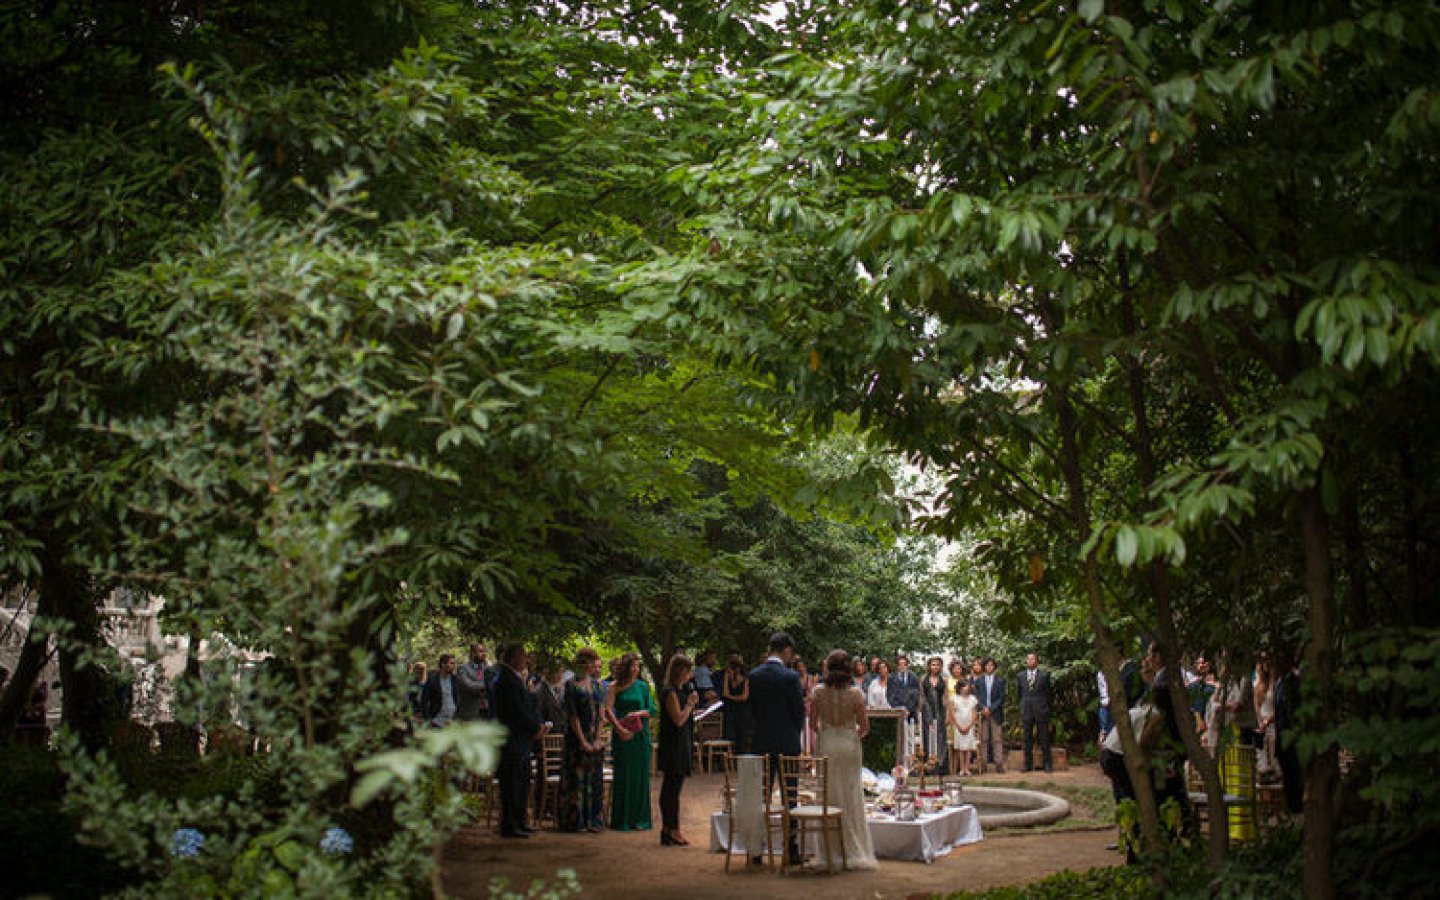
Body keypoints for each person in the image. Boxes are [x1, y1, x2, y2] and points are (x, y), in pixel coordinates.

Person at [810, 650, 877, 870]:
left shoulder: (818, 692)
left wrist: (829, 732)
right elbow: (865, 727)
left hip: (827, 744)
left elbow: (812, 725)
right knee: (850, 795)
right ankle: (853, 849)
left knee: (828, 795)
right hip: (849, 747)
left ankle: (830, 851)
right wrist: (850, 736)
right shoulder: (856, 694)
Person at [748, 631, 805, 865]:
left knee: (761, 795)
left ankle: (756, 850)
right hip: (786, 743)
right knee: (789, 796)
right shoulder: (790, 677)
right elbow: (798, 712)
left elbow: (751, 710)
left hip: (761, 742)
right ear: (787, 650)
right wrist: (794, 732)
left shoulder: (754, 675)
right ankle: (790, 850)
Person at [494, 643, 550, 838]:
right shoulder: (505, 680)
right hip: (512, 740)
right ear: (513, 658)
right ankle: (510, 825)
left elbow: (530, 706)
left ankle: (520, 821)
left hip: (523, 739)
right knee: (512, 783)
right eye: (523, 656)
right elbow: (517, 711)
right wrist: (535, 728)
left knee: (523, 781)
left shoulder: (519, 679)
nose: (526, 660)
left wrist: (539, 726)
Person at [606, 653, 655, 831]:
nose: (637, 669)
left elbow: (652, 710)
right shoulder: (614, 686)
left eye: (638, 666)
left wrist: (638, 714)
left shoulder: (643, 686)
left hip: (641, 736)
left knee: (641, 777)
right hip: (622, 735)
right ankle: (623, 819)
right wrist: (619, 728)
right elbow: (608, 709)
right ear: (626, 668)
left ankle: (640, 819)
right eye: (633, 666)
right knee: (624, 775)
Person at [559, 648, 606, 833]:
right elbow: (573, 716)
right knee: (576, 781)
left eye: (592, 661)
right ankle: (575, 821)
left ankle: (592, 819)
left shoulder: (597, 685)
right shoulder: (571, 685)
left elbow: (601, 714)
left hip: (593, 738)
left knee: (594, 780)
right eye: (587, 661)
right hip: (576, 740)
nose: (590, 665)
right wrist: (582, 741)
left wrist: (597, 739)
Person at [657, 653, 700, 846]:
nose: (690, 675)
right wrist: (690, 704)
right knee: (671, 788)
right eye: (688, 670)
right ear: (680, 671)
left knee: (674, 786)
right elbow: (678, 719)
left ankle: (669, 829)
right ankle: (672, 829)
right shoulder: (670, 691)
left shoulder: (682, 689)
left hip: (682, 742)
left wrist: (694, 710)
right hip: (673, 745)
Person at [1018, 652, 1053, 772]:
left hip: (1041, 709)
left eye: (1033, 659)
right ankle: (1027, 764)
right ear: (1026, 661)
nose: (1030, 661)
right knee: (1027, 738)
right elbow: (1020, 693)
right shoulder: (1020, 676)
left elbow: (1048, 693)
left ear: (1037, 661)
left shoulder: (1044, 675)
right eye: (1028, 659)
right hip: (1026, 709)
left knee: (1044, 737)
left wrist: (1045, 707)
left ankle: (1047, 763)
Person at [975, 657, 1006, 773]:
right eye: (987, 665)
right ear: (984, 667)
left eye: (991, 665)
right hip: (982, 714)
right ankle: (983, 764)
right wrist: (983, 708)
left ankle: (999, 764)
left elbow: (1001, 698)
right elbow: (976, 697)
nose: (989, 667)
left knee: (997, 739)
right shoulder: (978, 681)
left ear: (995, 667)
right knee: (983, 739)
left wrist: (991, 709)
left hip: (995, 713)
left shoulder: (1000, 681)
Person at [918, 657, 949, 771]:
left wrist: (947, 714)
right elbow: (921, 696)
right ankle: (928, 763)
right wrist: (920, 711)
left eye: (937, 665)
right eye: (933, 665)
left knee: (941, 736)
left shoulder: (944, 680)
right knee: (928, 734)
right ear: (929, 666)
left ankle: (940, 763)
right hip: (927, 710)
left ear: (940, 667)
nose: (935, 667)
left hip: (940, 710)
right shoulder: (923, 679)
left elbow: (946, 697)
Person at [948, 679, 980, 775]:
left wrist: (969, 725)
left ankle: (967, 768)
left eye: (967, 686)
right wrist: (958, 726)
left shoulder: (973, 699)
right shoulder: (954, 698)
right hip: (959, 725)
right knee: (962, 748)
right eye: (964, 686)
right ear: (960, 687)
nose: (966, 688)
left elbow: (974, 714)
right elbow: (952, 714)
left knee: (968, 747)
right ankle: (962, 768)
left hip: (969, 725)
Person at [455, 642, 493, 721]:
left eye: (484, 651)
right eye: (481, 651)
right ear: (473, 653)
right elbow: (469, 685)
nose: (484, 654)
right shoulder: (463, 669)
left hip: (487, 712)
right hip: (469, 713)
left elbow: (493, 687)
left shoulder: (487, 668)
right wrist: (487, 684)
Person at [722, 651, 750, 754]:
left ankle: (740, 754)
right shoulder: (727, 676)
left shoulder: (745, 679)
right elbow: (725, 693)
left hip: (742, 709)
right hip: (730, 708)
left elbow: (744, 697)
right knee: (728, 732)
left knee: (741, 733)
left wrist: (731, 697)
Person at [420, 654, 459, 728]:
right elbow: (424, 701)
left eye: (454, 663)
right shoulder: (432, 679)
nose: (454, 666)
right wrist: (428, 720)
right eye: (451, 663)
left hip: (453, 721)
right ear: (443, 664)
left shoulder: (455, 679)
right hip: (437, 722)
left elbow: (459, 699)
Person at [888, 654, 921, 722]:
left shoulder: (913, 677)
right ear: (897, 665)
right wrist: (899, 708)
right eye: (900, 664)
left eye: (904, 664)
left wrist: (908, 709)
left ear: (907, 665)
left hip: (911, 712)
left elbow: (915, 695)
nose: (902, 666)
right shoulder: (891, 677)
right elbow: (890, 695)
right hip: (897, 711)